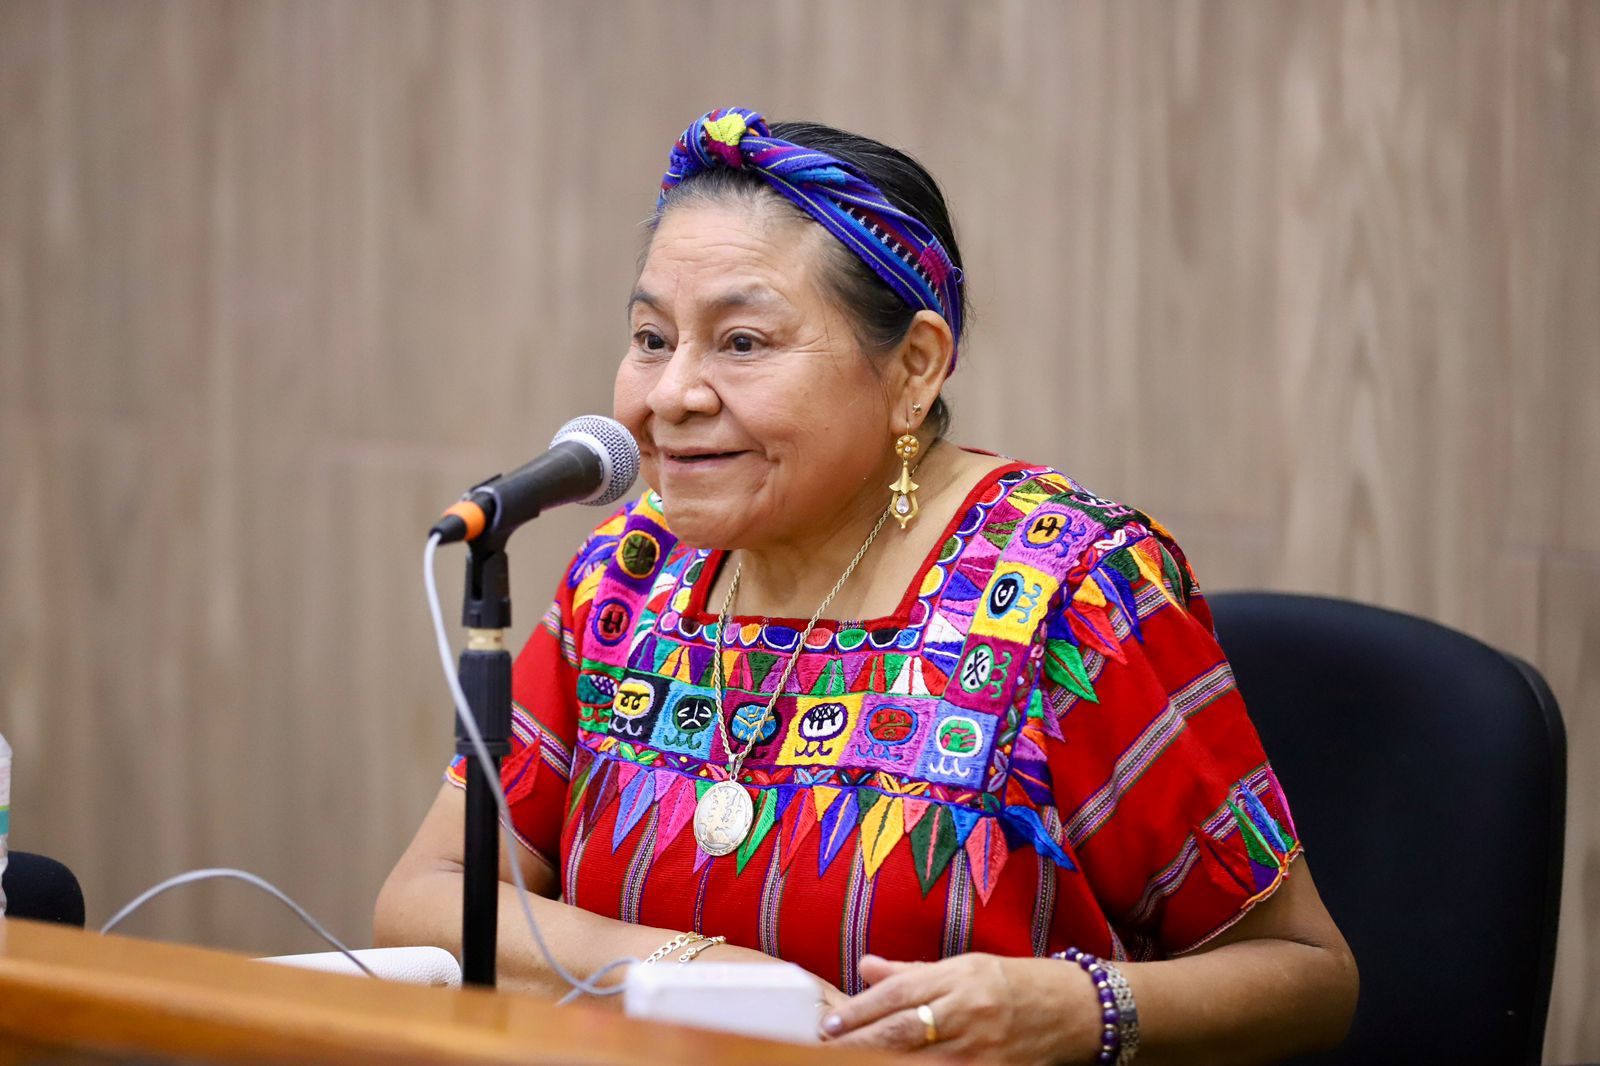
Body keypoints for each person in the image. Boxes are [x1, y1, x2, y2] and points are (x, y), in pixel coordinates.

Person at [376, 107, 1358, 1063]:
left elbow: (1310, 978)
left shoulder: (1071, 591)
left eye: (742, 342)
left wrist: (1076, 1006)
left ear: (914, 369)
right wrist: (697, 969)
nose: (671, 392)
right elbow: (430, 892)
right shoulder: (634, 570)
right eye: (650, 338)